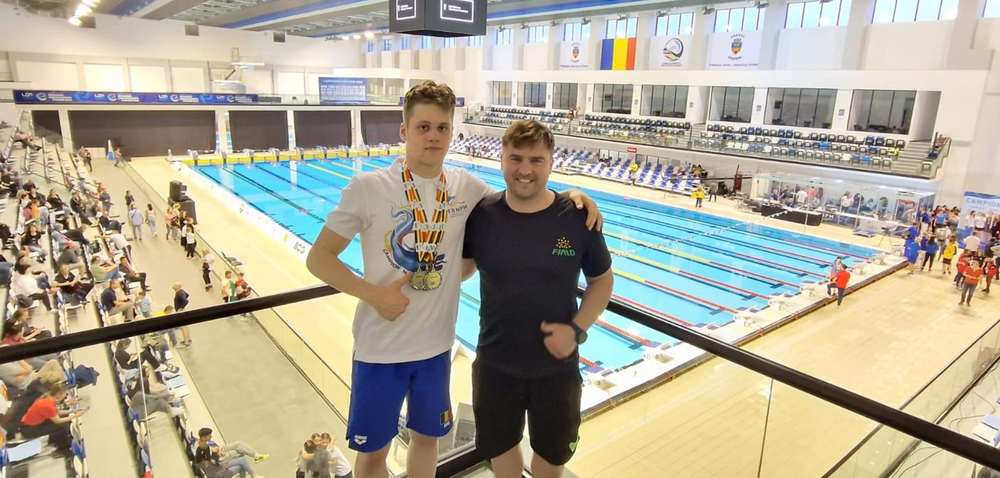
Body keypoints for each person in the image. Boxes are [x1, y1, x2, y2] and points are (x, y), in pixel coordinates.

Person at [304, 82, 600, 478]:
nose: (433, 136)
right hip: (380, 349)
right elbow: (319, 259)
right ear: (404, 130)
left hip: (435, 349)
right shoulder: (368, 188)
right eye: (423, 127)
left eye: (442, 127)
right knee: (373, 454)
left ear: (451, 132)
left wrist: (571, 195)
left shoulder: (466, 187)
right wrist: (373, 295)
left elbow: (522, 193)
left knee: (427, 441)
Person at [462, 119, 614, 478]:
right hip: (496, 364)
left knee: (551, 460)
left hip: (556, 371)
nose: (525, 170)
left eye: (536, 160)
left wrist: (576, 329)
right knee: (502, 452)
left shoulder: (577, 217)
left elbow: (602, 281)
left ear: (551, 162)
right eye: (516, 158)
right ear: (501, 158)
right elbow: (460, 268)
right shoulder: (482, 215)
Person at [20, 383, 86, 452]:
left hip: (29, 424)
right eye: (64, 394)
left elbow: (57, 412)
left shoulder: (47, 398)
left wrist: (73, 411)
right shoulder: (48, 404)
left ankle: (64, 441)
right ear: (59, 394)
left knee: (64, 421)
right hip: (29, 429)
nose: (65, 396)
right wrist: (76, 415)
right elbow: (58, 420)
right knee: (61, 427)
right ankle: (63, 449)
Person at [194, 427, 267, 478]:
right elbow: (212, 464)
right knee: (242, 459)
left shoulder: (204, 445)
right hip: (219, 467)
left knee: (239, 446)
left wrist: (216, 450)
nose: (211, 437)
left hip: (218, 459)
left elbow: (210, 459)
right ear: (203, 437)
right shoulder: (201, 450)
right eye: (209, 436)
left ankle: (255, 458)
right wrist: (215, 454)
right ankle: (254, 474)